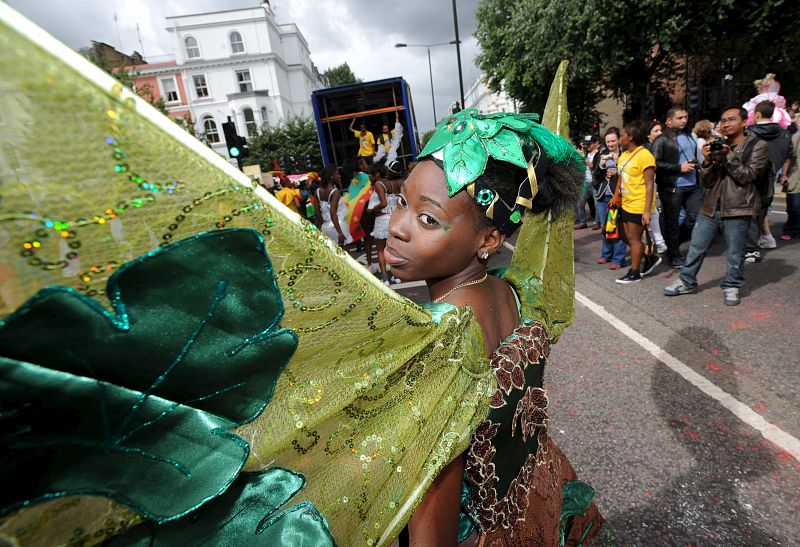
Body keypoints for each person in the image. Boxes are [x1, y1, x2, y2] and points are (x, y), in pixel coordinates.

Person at [386, 108, 601, 545]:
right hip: (536, 502)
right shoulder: (513, 291)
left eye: (428, 219)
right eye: (401, 202)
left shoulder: (437, 341)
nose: (396, 227)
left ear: (488, 240)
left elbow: (435, 488)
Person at [664, 107, 770, 306]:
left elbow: (747, 175)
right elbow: (708, 182)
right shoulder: (718, 145)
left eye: (731, 120)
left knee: (735, 252)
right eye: (723, 121)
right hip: (711, 205)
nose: (726, 124)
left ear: (744, 122)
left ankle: (732, 285)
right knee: (696, 247)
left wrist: (728, 156)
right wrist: (706, 162)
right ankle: (687, 281)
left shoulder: (757, 145)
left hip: (738, 207)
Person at [651, 105, 703, 268]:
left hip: (693, 184)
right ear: (668, 121)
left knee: (696, 218)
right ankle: (673, 254)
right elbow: (654, 163)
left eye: (686, 117)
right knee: (672, 222)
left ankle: (673, 243)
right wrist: (678, 168)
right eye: (679, 118)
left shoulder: (689, 136)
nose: (684, 120)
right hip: (672, 186)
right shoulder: (662, 139)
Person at [609, 120, 661, 284]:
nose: (619, 139)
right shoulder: (624, 155)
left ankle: (635, 272)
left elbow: (649, 184)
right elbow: (621, 179)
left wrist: (647, 211)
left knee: (634, 239)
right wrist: (615, 197)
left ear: (630, 137)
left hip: (638, 204)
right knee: (623, 235)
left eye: (622, 135)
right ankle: (648, 256)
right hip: (625, 202)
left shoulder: (645, 156)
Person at [743, 100, 795, 261]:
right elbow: (789, 156)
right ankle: (755, 241)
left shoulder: (749, 132)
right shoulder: (784, 133)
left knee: (749, 210)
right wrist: (784, 174)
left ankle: (751, 248)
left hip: (750, 175)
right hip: (770, 177)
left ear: (757, 114)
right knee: (762, 209)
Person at [594, 128, 627, 268]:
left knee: (618, 227)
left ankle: (618, 259)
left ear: (619, 140)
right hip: (603, 196)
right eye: (608, 141)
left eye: (613, 140)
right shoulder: (601, 153)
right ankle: (606, 254)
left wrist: (618, 165)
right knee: (605, 227)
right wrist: (601, 166)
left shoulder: (625, 154)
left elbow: (629, 174)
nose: (611, 144)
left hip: (618, 196)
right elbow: (595, 177)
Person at [367, 160, 402, 284]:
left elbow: (383, 203)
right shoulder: (397, 184)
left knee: (381, 250)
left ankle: (385, 277)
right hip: (394, 219)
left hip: (382, 220)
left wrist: (372, 209)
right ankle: (396, 276)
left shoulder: (379, 184)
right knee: (393, 249)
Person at [314, 164, 352, 246]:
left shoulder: (317, 191)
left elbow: (317, 212)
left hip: (326, 227)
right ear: (331, 176)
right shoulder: (335, 192)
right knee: (345, 256)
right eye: (337, 174)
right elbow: (332, 212)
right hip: (338, 226)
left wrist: (324, 225)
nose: (339, 176)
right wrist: (340, 233)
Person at [646, 121, 667, 254]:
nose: (660, 133)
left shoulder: (664, 145)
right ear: (648, 135)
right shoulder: (647, 150)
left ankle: (658, 241)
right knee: (653, 211)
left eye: (661, 130)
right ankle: (657, 241)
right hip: (652, 186)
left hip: (663, 185)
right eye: (656, 130)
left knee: (655, 212)